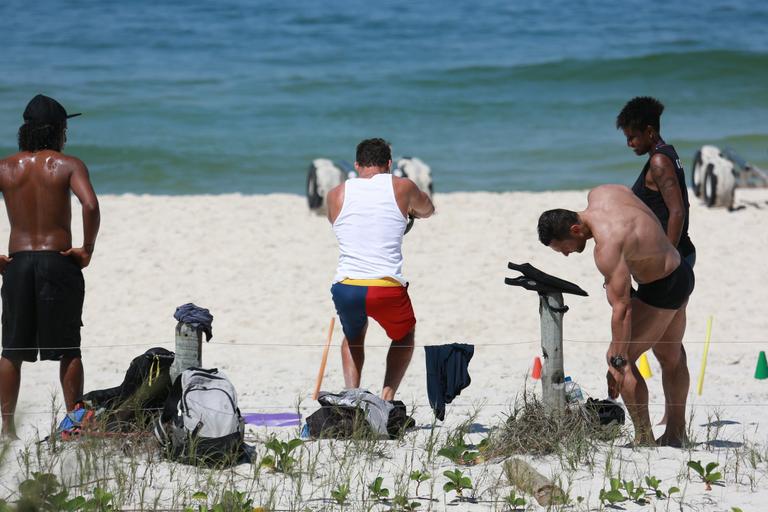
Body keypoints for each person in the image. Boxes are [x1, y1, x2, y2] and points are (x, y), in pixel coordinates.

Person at [538, 185, 694, 447]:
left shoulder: (606, 248)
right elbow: (642, 203)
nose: (566, 254)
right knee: (672, 356)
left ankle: (644, 438)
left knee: (620, 362)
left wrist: (618, 360)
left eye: (563, 248)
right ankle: (676, 433)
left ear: (575, 230)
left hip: (661, 290)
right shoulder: (603, 192)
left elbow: (622, 308)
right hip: (680, 270)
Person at [0, 94, 100, 439]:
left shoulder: (6, 167)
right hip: (58, 262)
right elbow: (89, 205)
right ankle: (73, 423)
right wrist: (86, 249)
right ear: (58, 130)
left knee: (11, 350)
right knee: (69, 347)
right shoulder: (69, 164)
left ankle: (7, 430)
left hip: (18, 263)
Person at [326, 138, 434, 401]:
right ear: (389, 164)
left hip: (346, 286)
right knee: (405, 335)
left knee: (353, 336)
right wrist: (412, 210)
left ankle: (352, 398)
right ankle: (385, 399)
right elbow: (428, 209)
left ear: (356, 165)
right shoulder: (403, 186)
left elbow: (340, 223)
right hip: (384, 286)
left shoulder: (336, 193)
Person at [616, 96, 696, 268]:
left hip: (675, 255)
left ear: (650, 132)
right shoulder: (667, 153)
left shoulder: (659, 161)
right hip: (679, 252)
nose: (629, 144)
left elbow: (678, 212)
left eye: (632, 137)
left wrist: (667, 258)